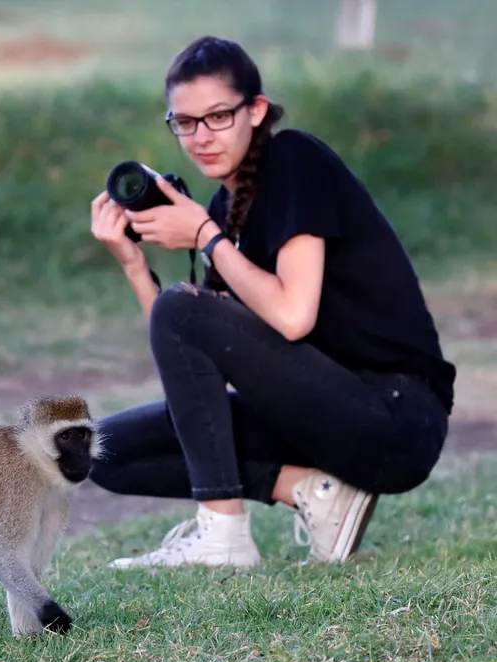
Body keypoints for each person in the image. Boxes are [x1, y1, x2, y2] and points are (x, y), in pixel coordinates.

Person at [87, 35, 456, 569]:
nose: (200, 137)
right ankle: (311, 492)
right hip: (318, 420)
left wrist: (205, 235)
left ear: (256, 110)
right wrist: (132, 263)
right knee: (104, 450)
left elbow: (292, 314)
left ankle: (224, 536)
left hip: (393, 419)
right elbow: (187, 357)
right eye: (184, 122)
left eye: (217, 117)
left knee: (181, 307)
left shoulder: (295, 160)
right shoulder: (224, 207)